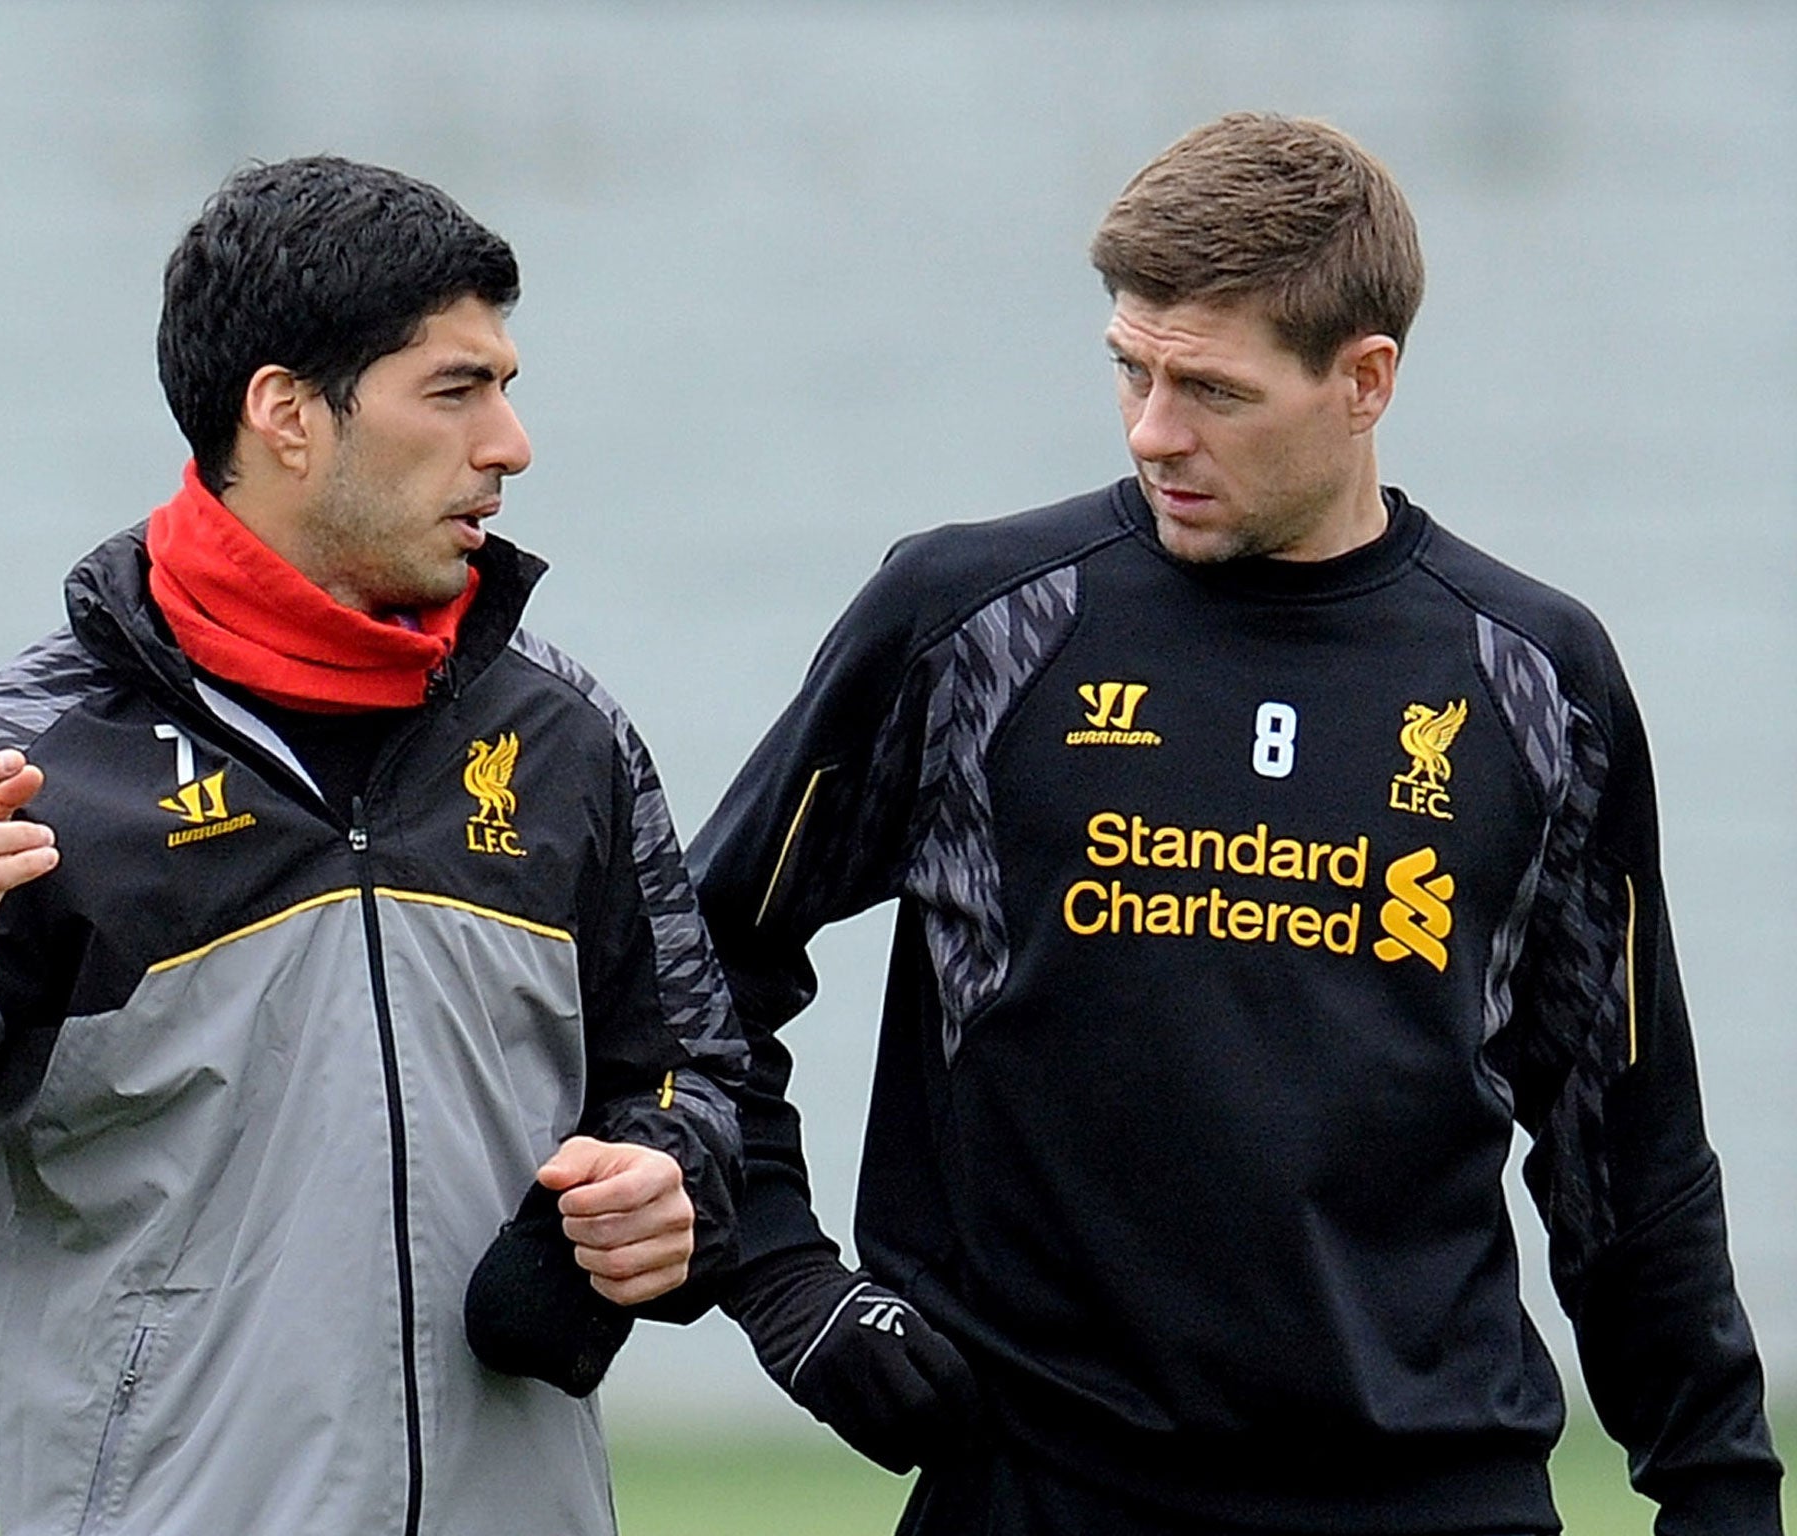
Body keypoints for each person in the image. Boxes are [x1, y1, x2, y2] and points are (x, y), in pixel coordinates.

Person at [691, 113, 1782, 1535]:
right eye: (1131, 372)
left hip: (1433, 1493)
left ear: (1364, 380)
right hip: (1038, 1491)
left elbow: (1625, 1138)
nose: (1155, 430)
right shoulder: (971, 623)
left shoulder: (1532, 677)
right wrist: (785, 1278)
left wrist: (1717, 1491)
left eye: (1210, 388)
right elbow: (690, 960)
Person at [0, 156, 745, 1536]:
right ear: (286, 413)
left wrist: (669, 1175)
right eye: (458, 390)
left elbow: (698, 1073)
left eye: (505, 387)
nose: (510, 442)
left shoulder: (564, 736)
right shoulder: (27, 760)